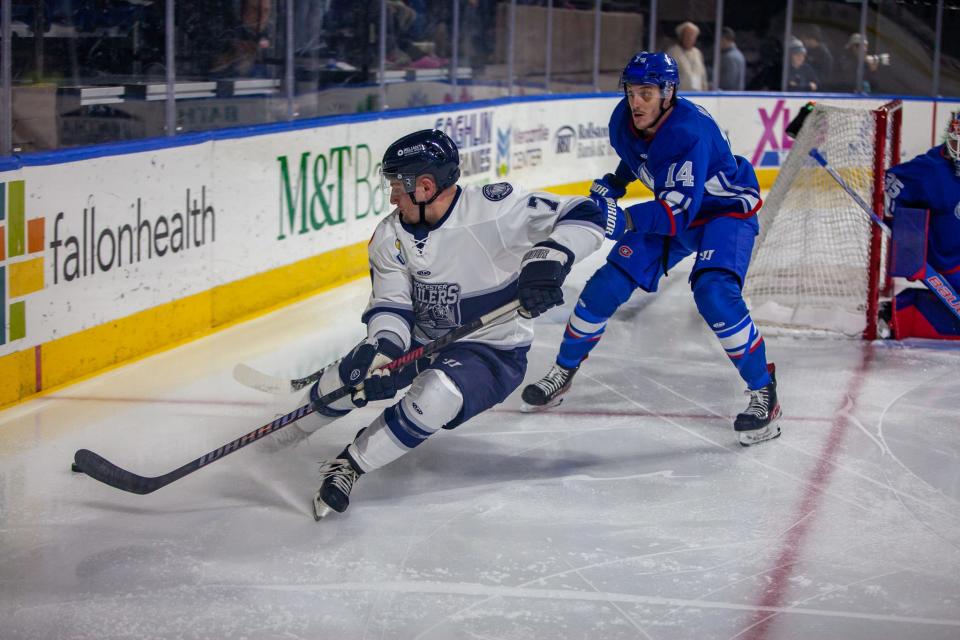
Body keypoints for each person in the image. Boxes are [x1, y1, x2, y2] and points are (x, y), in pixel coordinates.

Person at [268, 129, 605, 519]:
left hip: (491, 351)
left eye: (397, 185)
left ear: (425, 186)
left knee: (436, 394)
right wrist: (383, 350)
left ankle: (350, 464)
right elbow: (391, 305)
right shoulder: (389, 235)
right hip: (421, 337)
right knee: (355, 373)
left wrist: (551, 258)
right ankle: (279, 437)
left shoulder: (495, 211)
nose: (392, 197)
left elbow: (585, 213)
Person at [521, 51, 782, 447]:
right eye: (631, 90)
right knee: (605, 286)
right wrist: (618, 181)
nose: (636, 101)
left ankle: (764, 391)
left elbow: (676, 213)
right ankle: (563, 370)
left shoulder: (687, 131)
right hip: (675, 208)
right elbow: (640, 158)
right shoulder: (622, 120)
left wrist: (623, 219)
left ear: (668, 93)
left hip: (724, 213)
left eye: (647, 92)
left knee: (714, 294)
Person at [882, 112, 960, 340]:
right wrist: (908, 243)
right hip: (951, 264)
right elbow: (888, 187)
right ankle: (897, 314)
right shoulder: (930, 171)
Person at [666, 22, 708, 91]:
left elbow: (703, 76)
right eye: (687, 35)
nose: (690, 38)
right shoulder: (673, 52)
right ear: (681, 36)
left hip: (699, 95)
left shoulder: (697, 53)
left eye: (693, 35)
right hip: (680, 95)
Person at [718, 27, 745, 91]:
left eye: (719, 40)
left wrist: (712, 85)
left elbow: (728, 82)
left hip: (728, 96)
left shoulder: (729, 57)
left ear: (724, 40)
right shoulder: (739, 54)